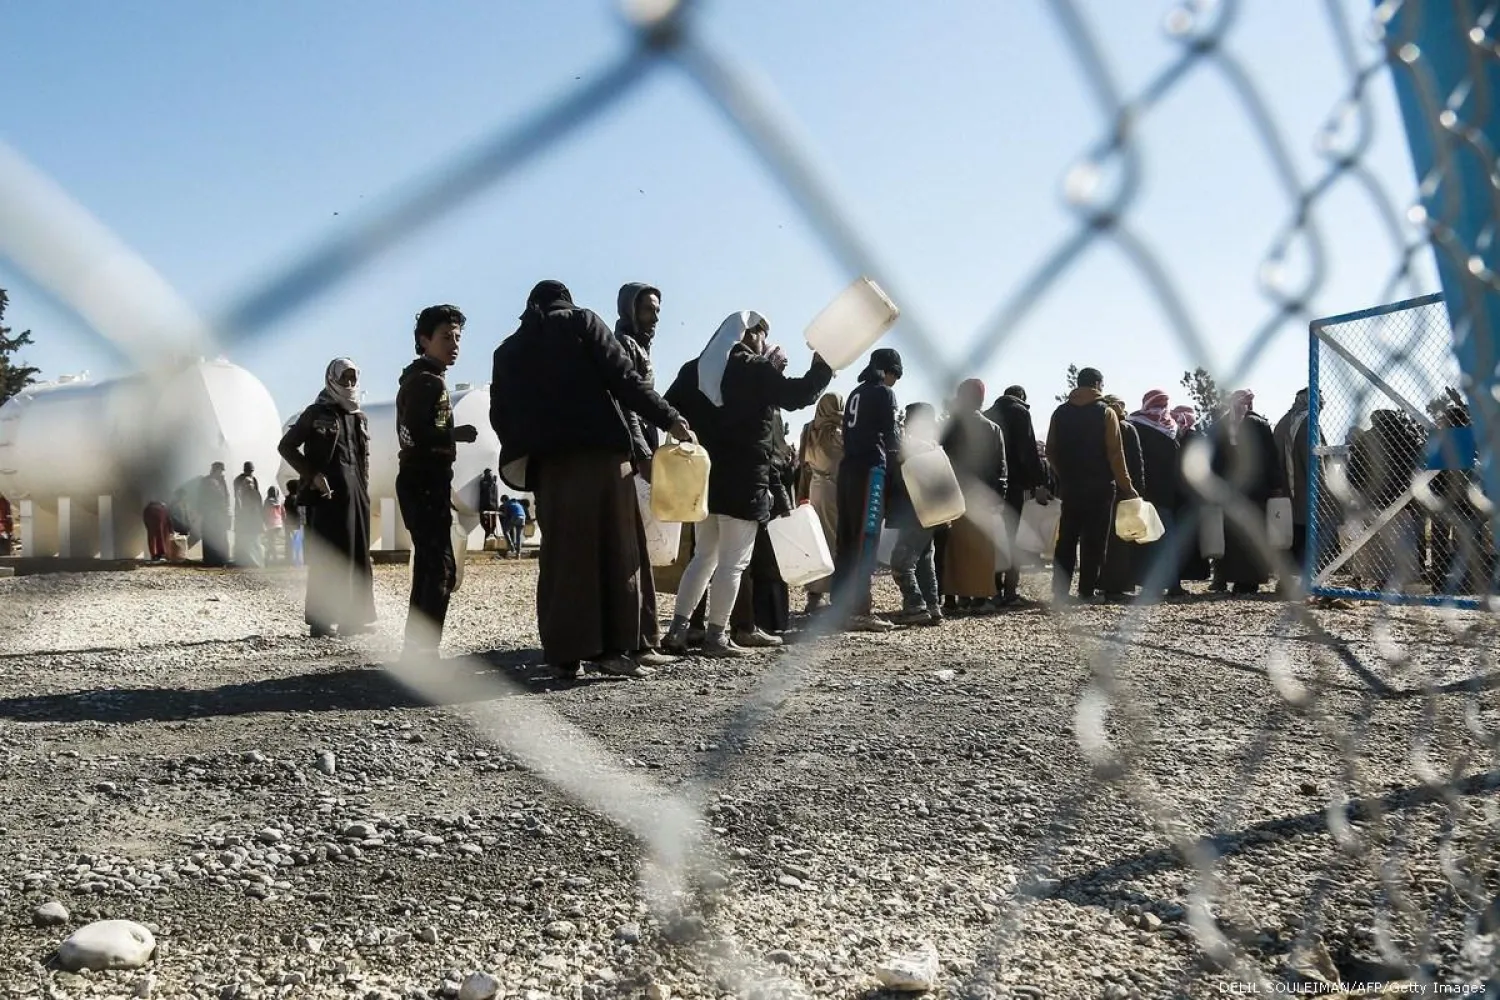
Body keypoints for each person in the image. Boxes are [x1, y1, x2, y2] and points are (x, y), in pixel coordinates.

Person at [490, 280, 692, 678]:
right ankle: (616, 651)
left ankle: (565, 656)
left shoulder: (509, 349)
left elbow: (501, 415)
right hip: (603, 461)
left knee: (564, 559)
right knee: (618, 552)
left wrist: (530, 447)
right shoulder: (583, 323)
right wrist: (670, 418)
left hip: (550, 470)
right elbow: (626, 380)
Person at [661, 313, 832, 657]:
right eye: (762, 335)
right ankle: (716, 636)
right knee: (733, 562)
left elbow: (667, 406)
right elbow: (797, 395)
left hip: (704, 482)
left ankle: (677, 631)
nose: (764, 343)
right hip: (744, 481)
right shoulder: (754, 368)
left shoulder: (694, 369)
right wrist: (821, 369)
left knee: (703, 557)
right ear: (749, 334)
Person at [397, 306, 477, 659]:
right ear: (424, 340)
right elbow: (412, 433)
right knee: (439, 569)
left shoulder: (426, 378)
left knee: (434, 567)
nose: (454, 344)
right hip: (423, 480)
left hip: (429, 481)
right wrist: (454, 433)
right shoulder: (425, 381)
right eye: (446, 337)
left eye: (458, 337)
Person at [279, 358, 377, 638]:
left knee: (357, 556)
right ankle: (321, 622)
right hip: (327, 498)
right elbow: (286, 446)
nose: (348, 384)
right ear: (332, 379)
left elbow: (362, 459)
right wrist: (311, 475)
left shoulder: (359, 416)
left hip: (357, 495)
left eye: (352, 379)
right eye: (343, 378)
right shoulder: (316, 413)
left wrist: (364, 490)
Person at [1045, 367, 1138, 603]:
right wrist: (1127, 486)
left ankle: (1059, 592)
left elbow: (1050, 450)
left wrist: (1063, 474)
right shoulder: (1106, 413)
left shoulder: (1060, 412)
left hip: (1071, 485)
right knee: (1094, 540)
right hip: (1100, 487)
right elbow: (1116, 454)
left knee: (1066, 538)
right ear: (1097, 384)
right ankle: (1086, 591)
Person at [833, 348, 904, 633]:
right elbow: (891, 436)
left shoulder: (855, 393)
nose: (895, 381)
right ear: (888, 371)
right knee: (867, 538)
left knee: (847, 538)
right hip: (871, 471)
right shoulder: (884, 393)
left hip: (848, 469)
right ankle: (860, 610)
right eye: (895, 375)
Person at [941, 378, 1007, 610]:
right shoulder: (992, 428)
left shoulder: (950, 427)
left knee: (954, 549)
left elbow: (941, 460)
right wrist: (999, 495)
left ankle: (953, 596)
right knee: (980, 549)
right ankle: (978, 596)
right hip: (983, 495)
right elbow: (1001, 468)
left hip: (954, 493)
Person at [1211, 389, 1285, 595]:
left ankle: (1222, 578)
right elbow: (1270, 457)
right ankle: (1247, 581)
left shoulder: (1221, 426)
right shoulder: (1259, 424)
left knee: (1228, 536)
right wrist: (1276, 486)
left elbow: (1213, 460)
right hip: (1255, 492)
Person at [985, 385, 1045, 604]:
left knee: (994, 537)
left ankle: (992, 587)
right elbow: (1028, 450)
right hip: (1015, 484)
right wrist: (1039, 481)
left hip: (991, 486)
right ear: (1022, 397)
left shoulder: (987, 414)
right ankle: (1010, 591)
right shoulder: (1021, 413)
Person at [888, 402, 943, 625]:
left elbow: (901, 480)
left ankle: (915, 606)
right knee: (924, 559)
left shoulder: (911, 448)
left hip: (913, 512)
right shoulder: (935, 447)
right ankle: (933, 606)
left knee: (901, 561)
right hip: (931, 513)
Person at [1127, 390, 1184, 598]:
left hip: (1149, 492)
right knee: (1166, 539)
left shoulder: (1137, 425)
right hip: (1162, 492)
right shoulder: (1169, 428)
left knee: (1150, 538)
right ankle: (1171, 584)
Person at [796, 392, 844, 614]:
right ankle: (833, 592)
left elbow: (802, 464)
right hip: (835, 490)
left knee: (815, 542)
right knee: (834, 540)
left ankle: (814, 595)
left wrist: (801, 494)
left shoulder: (808, 429)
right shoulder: (840, 431)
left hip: (813, 488)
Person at [1098, 395, 1145, 599]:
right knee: (1122, 542)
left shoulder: (1099, 426)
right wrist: (1138, 491)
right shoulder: (1127, 428)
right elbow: (1136, 462)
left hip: (1102, 490)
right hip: (1125, 492)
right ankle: (1117, 586)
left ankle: (1100, 581)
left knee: (1102, 538)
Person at [1272, 389, 1318, 576]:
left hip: (1284, 489)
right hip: (1304, 487)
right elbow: (1314, 461)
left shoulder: (1284, 422)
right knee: (1304, 534)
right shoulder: (1308, 422)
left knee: (1289, 535)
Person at [197, 462, 232, 567]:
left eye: (222, 471)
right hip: (211, 514)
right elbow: (205, 498)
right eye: (220, 470)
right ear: (215, 470)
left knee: (220, 537)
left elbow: (226, 496)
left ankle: (221, 559)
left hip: (220, 514)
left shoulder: (221, 481)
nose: (221, 473)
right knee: (211, 537)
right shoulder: (207, 481)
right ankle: (211, 560)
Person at [232, 462, 264, 567]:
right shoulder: (239, 481)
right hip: (244, 513)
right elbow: (237, 497)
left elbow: (258, 499)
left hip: (252, 514)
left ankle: (252, 560)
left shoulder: (253, 480)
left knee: (252, 537)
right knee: (243, 536)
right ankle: (242, 559)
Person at [263, 487, 285, 563]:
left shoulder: (267, 501)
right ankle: (269, 558)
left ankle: (270, 558)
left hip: (270, 523)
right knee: (272, 541)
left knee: (271, 541)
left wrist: (264, 521)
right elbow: (283, 512)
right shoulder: (279, 501)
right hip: (279, 524)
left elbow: (264, 512)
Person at [479, 470, 502, 541]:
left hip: (488, 506)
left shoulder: (487, 484)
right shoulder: (492, 484)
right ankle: (489, 533)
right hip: (491, 506)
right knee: (490, 523)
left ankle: (489, 534)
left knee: (488, 523)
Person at [502, 494, 527, 558]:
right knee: (518, 537)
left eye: (502, 502)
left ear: (504, 500)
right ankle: (518, 554)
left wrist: (505, 522)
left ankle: (512, 547)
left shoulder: (507, 504)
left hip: (516, 517)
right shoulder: (518, 503)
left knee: (505, 531)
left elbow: (506, 516)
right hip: (523, 518)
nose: (503, 504)